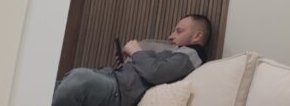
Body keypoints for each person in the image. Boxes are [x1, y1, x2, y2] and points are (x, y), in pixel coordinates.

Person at [53, 14, 211, 106]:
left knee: (79, 78)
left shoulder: (193, 54)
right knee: (53, 86)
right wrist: (123, 64)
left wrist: (136, 52)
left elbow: (156, 73)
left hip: (119, 92)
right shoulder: (175, 52)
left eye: (178, 31)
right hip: (112, 79)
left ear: (197, 36)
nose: (171, 36)